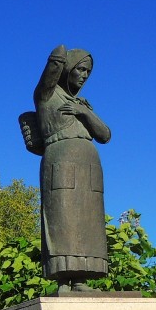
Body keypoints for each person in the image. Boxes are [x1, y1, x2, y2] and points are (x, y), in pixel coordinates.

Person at [31, 44, 111, 290]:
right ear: (68, 70)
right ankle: (63, 277)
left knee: (88, 223)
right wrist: (58, 56)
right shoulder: (47, 96)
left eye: (88, 72)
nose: (85, 76)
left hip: (88, 165)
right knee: (62, 219)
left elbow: (105, 135)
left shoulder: (83, 104)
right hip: (60, 160)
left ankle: (81, 279)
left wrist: (83, 113)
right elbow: (49, 75)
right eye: (81, 69)